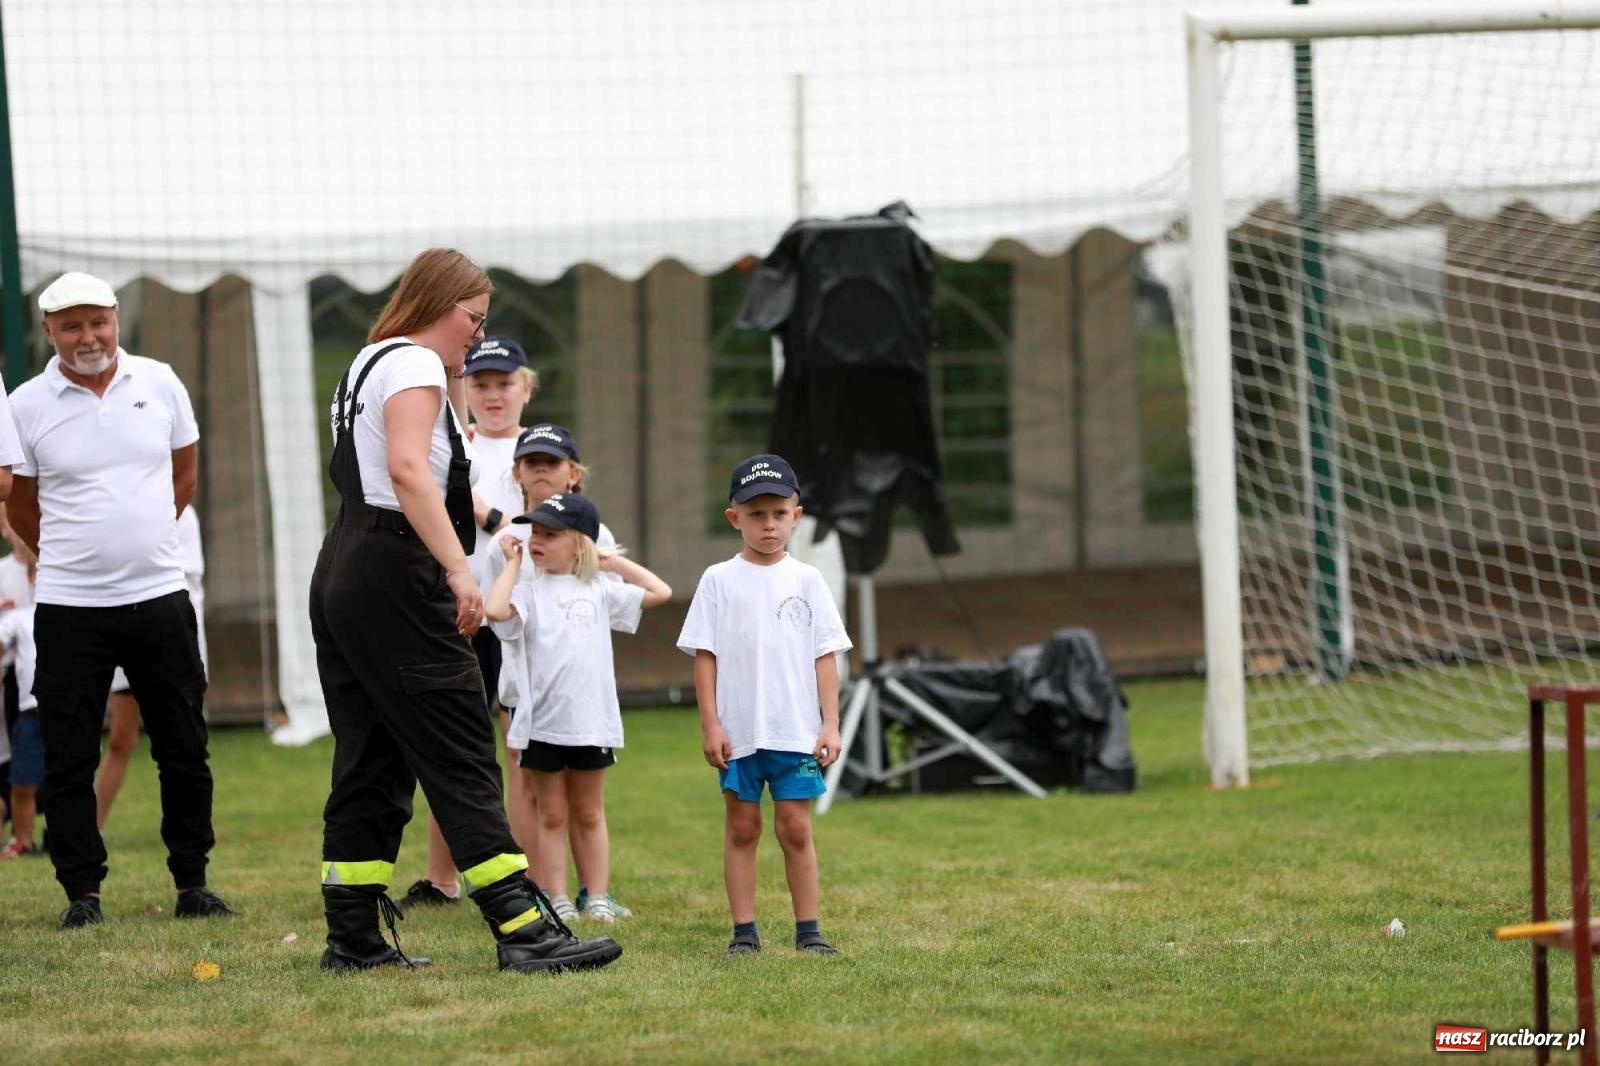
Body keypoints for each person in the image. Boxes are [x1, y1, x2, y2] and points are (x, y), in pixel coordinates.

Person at [308, 247, 620, 973]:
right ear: (440, 305)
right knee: (458, 746)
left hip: (345, 567)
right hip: (395, 570)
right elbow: (409, 470)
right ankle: (524, 930)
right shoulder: (414, 363)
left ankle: (351, 936)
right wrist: (457, 570)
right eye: (473, 321)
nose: (475, 340)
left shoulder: (365, 363)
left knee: (371, 756)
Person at [6, 271, 232, 930]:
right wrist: (76, 555)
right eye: (71, 326)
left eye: (97, 322)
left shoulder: (160, 381)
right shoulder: (25, 404)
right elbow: (21, 504)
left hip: (161, 595)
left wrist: (141, 542)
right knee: (69, 752)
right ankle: (83, 891)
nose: (88, 337)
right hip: (69, 606)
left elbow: (184, 473)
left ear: (115, 321)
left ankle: (193, 882)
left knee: (184, 745)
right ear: (48, 331)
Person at [677, 453, 852, 956]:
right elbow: (704, 658)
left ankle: (809, 931)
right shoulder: (717, 581)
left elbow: (825, 657)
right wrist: (711, 725)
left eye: (779, 513)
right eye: (756, 514)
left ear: (796, 515)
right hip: (741, 733)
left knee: (795, 828)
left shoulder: (808, 581)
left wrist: (830, 724)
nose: (769, 524)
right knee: (743, 826)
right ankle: (744, 932)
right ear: (735, 518)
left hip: (795, 730)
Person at [396, 336, 538, 910]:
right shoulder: (451, 445)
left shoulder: (545, 451)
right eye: (480, 383)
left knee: (521, 747)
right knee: (453, 745)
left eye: (505, 383)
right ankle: (441, 878)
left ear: (526, 388)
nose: (493, 394)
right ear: (463, 389)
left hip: (524, 617)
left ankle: (529, 875)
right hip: (457, 614)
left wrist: (493, 513)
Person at [486, 494, 669, 924]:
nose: (538, 542)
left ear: (580, 543)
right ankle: (558, 897)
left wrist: (612, 563)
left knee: (588, 812)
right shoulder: (528, 593)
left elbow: (661, 592)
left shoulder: (600, 590)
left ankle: (598, 896)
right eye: (536, 534)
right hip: (542, 728)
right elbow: (495, 611)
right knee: (551, 814)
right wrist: (513, 565)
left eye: (551, 535)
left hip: (591, 726)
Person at [480, 422, 635, 922]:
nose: (541, 470)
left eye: (552, 462)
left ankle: (594, 892)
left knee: (585, 803)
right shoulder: (502, 545)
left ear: (574, 473)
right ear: (517, 473)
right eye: (532, 462)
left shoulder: (597, 532)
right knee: (528, 790)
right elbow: (495, 613)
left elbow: (612, 605)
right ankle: (541, 889)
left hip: (579, 695)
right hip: (523, 689)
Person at [96, 505, 208, 828]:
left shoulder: (182, 513)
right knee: (121, 737)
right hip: (124, 621)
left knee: (184, 737)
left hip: (172, 632)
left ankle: (190, 827)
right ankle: (91, 826)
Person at [0, 562, 41, 858]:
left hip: (68, 712)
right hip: (31, 712)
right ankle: (24, 840)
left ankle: (68, 838)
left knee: (72, 778)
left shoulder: (75, 619)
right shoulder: (20, 618)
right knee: (23, 781)